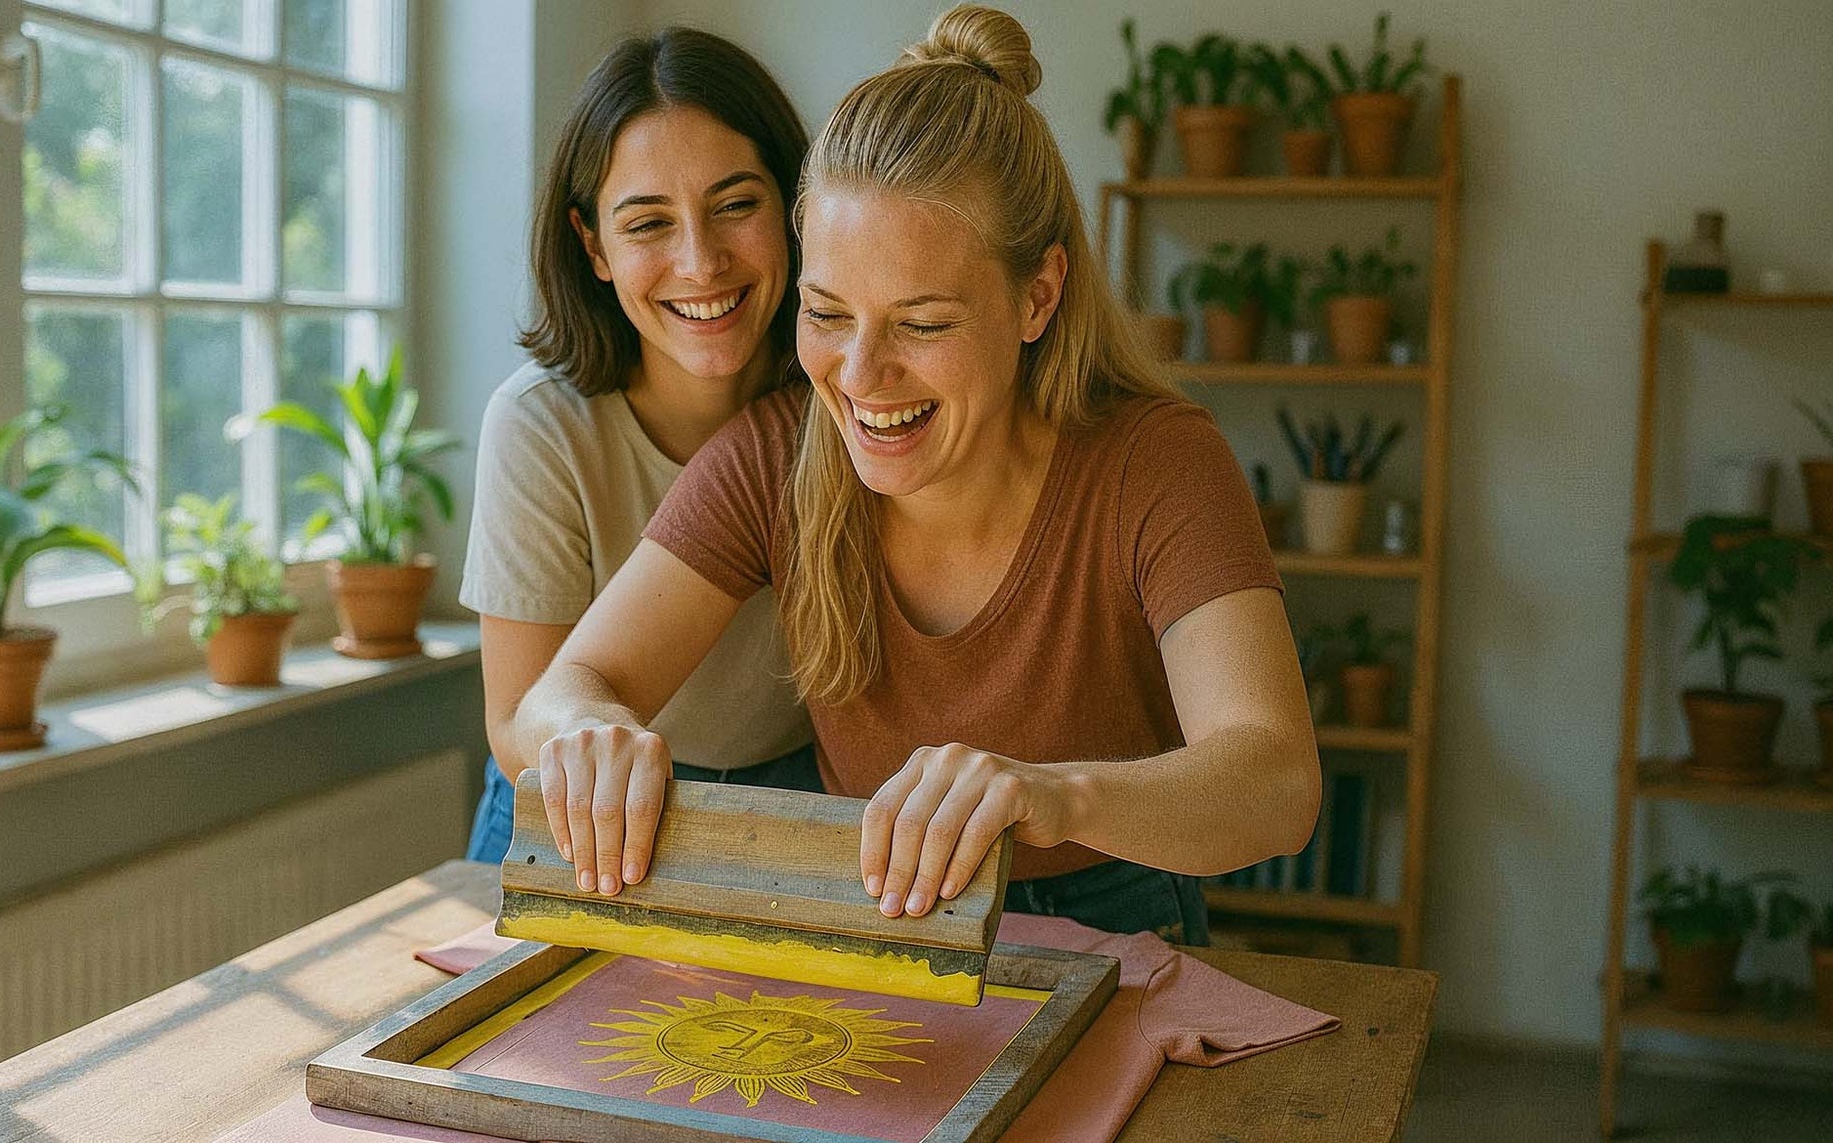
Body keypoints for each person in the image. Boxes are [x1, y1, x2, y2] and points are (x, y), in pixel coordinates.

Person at [514, 5, 1320, 942]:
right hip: (872, 911)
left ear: (1038, 295)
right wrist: (587, 729)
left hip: (1119, 913)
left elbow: (1275, 780)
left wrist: (1052, 794)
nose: (858, 378)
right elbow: (560, 691)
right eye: (826, 313)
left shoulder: (1156, 461)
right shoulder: (776, 453)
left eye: (923, 323)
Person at [460, 27, 816, 863]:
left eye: (736, 204)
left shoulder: (857, 402)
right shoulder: (540, 424)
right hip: (569, 806)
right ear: (594, 248)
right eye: (648, 223)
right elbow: (516, 720)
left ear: (797, 208)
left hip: (801, 808)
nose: (701, 261)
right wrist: (591, 727)